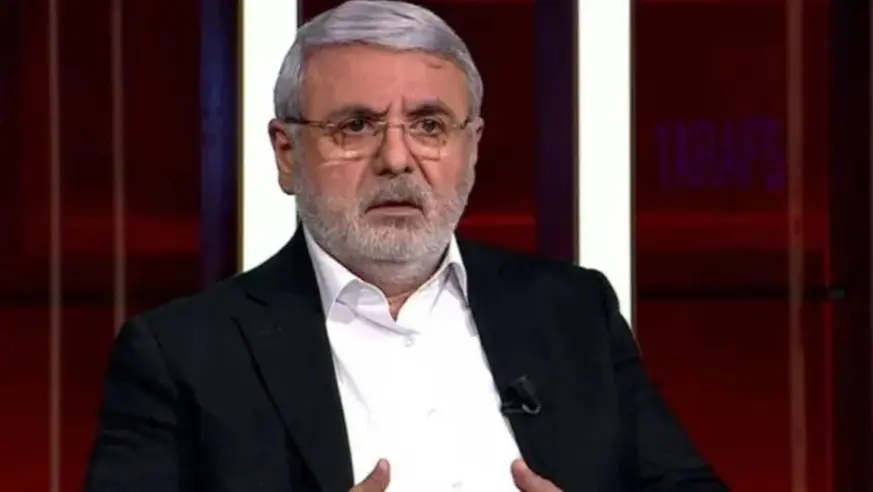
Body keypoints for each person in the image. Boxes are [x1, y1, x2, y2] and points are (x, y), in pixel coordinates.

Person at [83, 1, 729, 491]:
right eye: (355, 126)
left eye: (429, 125)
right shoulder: (181, 355)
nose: (396, 158)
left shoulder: (573, 311)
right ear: (287, 154)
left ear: (472, 148)